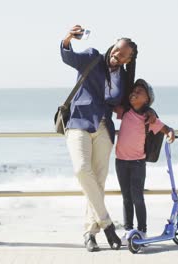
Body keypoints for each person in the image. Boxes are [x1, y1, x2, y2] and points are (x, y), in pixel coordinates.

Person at [60, 25, 156, 252]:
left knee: (99, 181)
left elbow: (131, 105)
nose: (117, 55)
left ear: (128, 59)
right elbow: (68, 56)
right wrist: (67, 38)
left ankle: (90, 233)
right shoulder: (92, 57)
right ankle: (108, 225)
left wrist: (151, 113)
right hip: (79, 122)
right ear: (112, 46)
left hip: (103, 127)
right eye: (116, 50)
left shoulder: (123, 78)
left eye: (123, 55)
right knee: (82, 170)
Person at [114, 79, 176, 245]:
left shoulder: (149, 118)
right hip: (120, 162)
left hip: (137, 163)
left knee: (137, 197)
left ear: (147, 99)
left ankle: (142, 230)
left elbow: (167, 129)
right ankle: (128, 230)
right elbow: (111, 105)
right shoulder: (125, 112)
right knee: (126, 198)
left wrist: (170, 134)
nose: (135, 92)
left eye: (140, 91)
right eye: (134, 90)